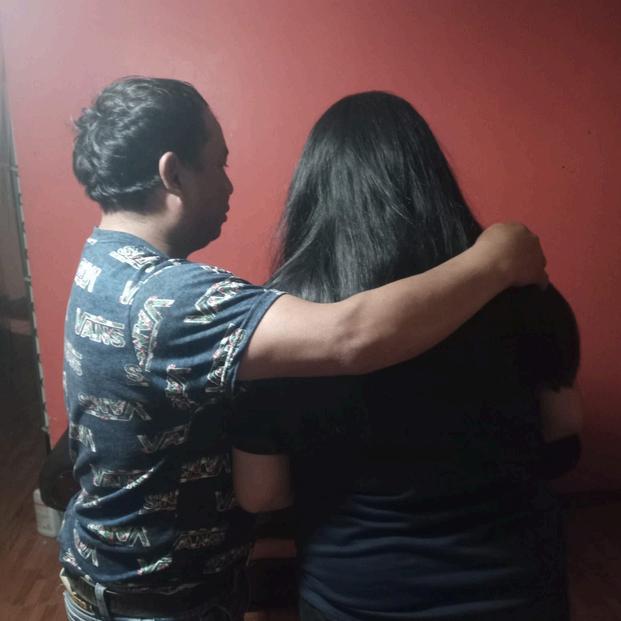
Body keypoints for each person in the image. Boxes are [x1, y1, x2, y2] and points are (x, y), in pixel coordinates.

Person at [60, 77, 548, 621]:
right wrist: (494, 260)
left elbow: (263, 491)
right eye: (219, 163)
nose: (229, 184)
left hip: (126, 578)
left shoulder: (104, 262)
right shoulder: (171, 300)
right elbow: (352, 334)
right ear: (173, 173)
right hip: (158, 604)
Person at [231, 92, 582, 621]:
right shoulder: (520, 291)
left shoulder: (283, 327)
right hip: (518, 588)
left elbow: (263, 494)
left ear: (312, 192)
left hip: (360, 597)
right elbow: (563, 430)